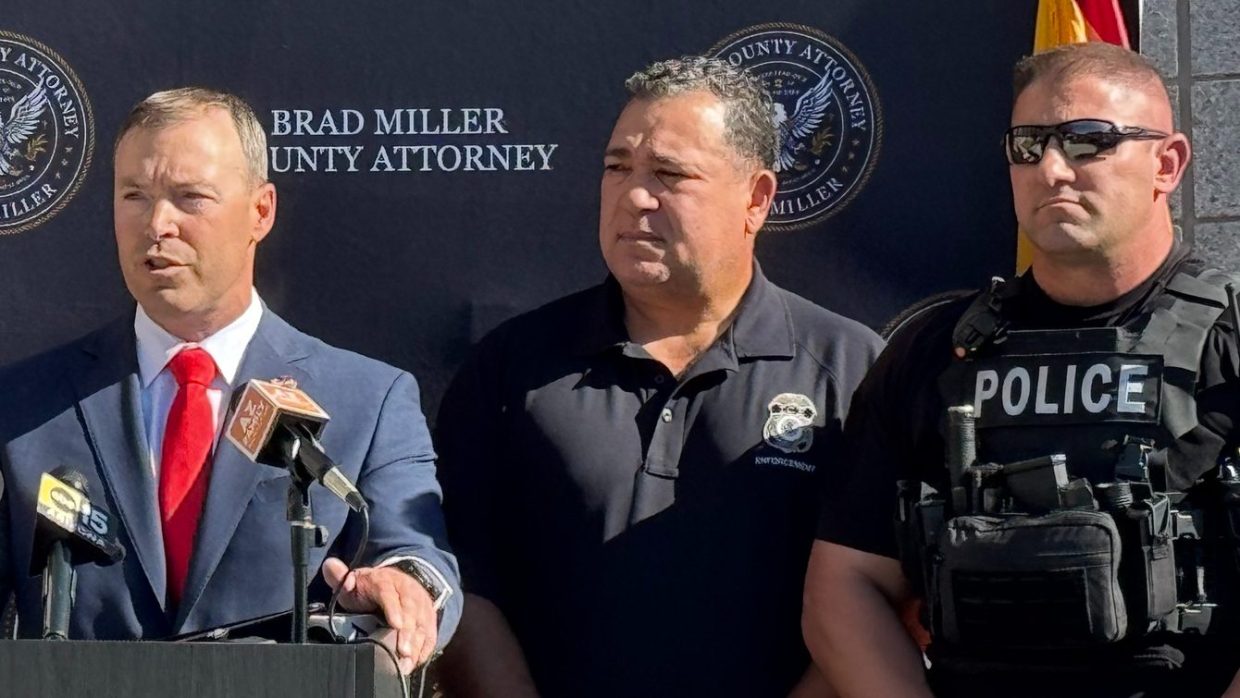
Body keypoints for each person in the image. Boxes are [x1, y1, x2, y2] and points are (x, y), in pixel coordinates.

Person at [435, 56, 883, 697]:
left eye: (669, 174)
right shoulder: (512, 368)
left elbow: (883, 594)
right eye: (618, 167)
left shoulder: (852, 369)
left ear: (756, 199)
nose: (634, 196)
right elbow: (462, 580)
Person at [804, 42, 1240, 698]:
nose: (1052, 169)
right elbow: (846, 584)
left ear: (1168, 163)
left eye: (1088, 140)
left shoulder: (1228, 343)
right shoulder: (934, 353)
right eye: (1028, 145)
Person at [0, 88, 459, 672]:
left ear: (260, 212)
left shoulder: (368, 399)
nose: (157, 224)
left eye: (190, 197)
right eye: (134, 195)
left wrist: (407, 587)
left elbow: (417, 553)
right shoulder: (22, 405)